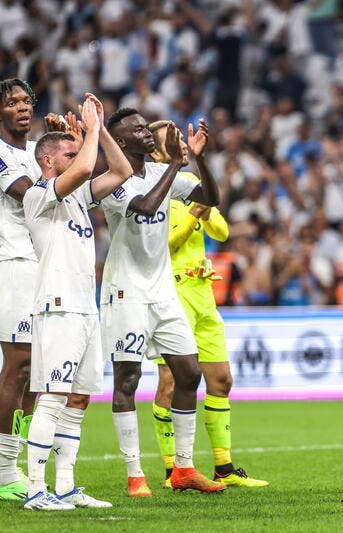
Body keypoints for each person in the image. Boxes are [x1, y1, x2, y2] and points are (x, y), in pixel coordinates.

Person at [101, 108, 225, 496]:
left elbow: (211, 199)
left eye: (145, 125)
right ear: (121, 143)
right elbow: (145, 206)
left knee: (189, 374)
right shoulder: (112, 181)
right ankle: (135, 474)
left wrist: (200, 160)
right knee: (128, 380)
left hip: (162, 292)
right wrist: (175, 164)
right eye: (137, 129)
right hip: (126, 291)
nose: (146, 131)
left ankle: (184, 469)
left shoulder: (163, 172)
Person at [21, 94, 133, 510]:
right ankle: (36, 489)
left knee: (79, 398)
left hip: (87, 308)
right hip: (57, 306)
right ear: (49, 161)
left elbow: (120, 169)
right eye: (67, 150)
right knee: (52, 395)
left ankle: (65, 485)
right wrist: (86, 131)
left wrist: (100, 131)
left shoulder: (77, 198)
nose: (78, 153)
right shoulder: (39, 194)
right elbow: (87, 165)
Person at [147, 119, 267, 489]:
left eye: (179, 136)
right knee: (170, 379)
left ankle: (224, 467)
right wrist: (193, 217)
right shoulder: (153, 191)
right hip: (172, 293)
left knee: (222, 379)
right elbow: (161, 247)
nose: (179, 142)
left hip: (203, 294)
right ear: (155, 150)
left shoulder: (190, 189)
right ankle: (172, 470)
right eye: (172, 139)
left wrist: (203, 207)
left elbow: (223, 231)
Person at [0, 78, 42, 501]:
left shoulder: (36, 152)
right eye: (12, 102)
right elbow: (28, 194)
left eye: (26, 100)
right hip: (11, 264)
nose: (21, 107)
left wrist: (77, 141)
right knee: (18, 365)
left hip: (43, 266)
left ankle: (16, 463)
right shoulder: (1, 154)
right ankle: (3, 470)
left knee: (35, 372)